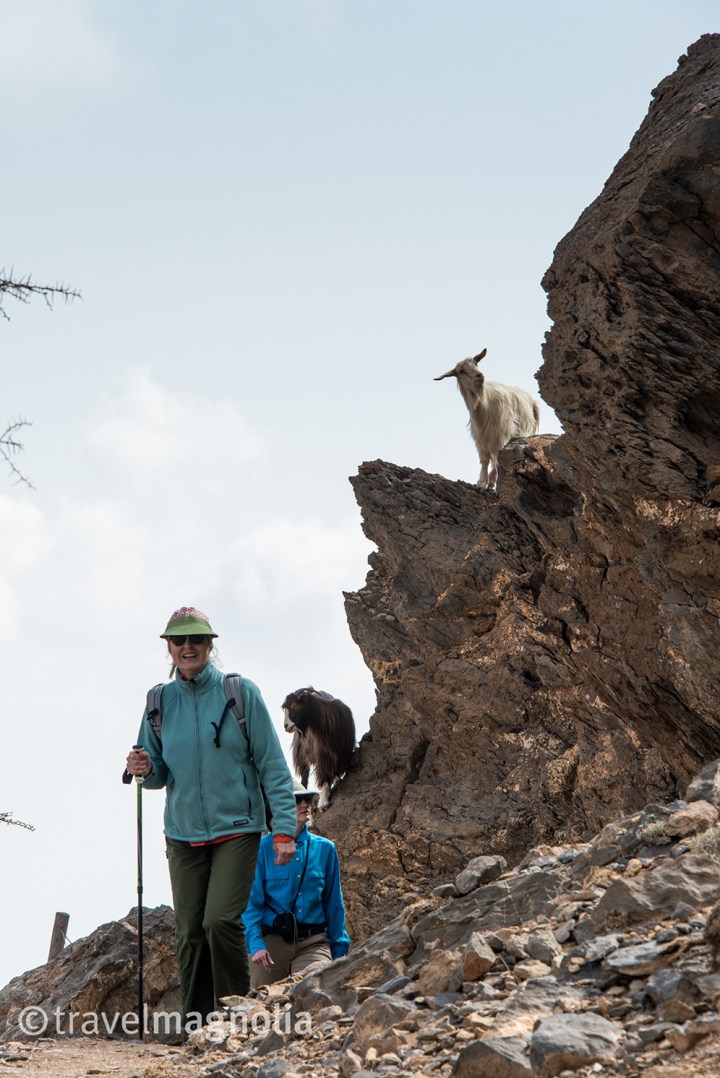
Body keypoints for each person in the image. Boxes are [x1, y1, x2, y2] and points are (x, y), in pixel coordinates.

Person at [124, 606, 297, 1023]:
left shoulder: (240, 692)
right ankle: (196, 1025)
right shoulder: (158, 701)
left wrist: (285, 829)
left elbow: (272, 764)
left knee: (220, 920)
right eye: (179, 640)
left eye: (196, 640)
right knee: (189, 932)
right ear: (168, 646)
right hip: (182, 834)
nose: (188, 647)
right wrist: (142, 769)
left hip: (238, 828)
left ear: (210, 644)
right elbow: (157, 773)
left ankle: (233, 1015)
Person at [243, 778, 350, 987]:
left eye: (307, 799)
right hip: (270, 945)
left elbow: (334, 904)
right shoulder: (260, 850)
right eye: (297, 800)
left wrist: (340, 953)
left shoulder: (326, 849)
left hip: (313, 943)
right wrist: (255, 945)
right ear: (278, 808)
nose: (305, 805)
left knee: (314, 994)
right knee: (265, 1012)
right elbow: (251, 905)